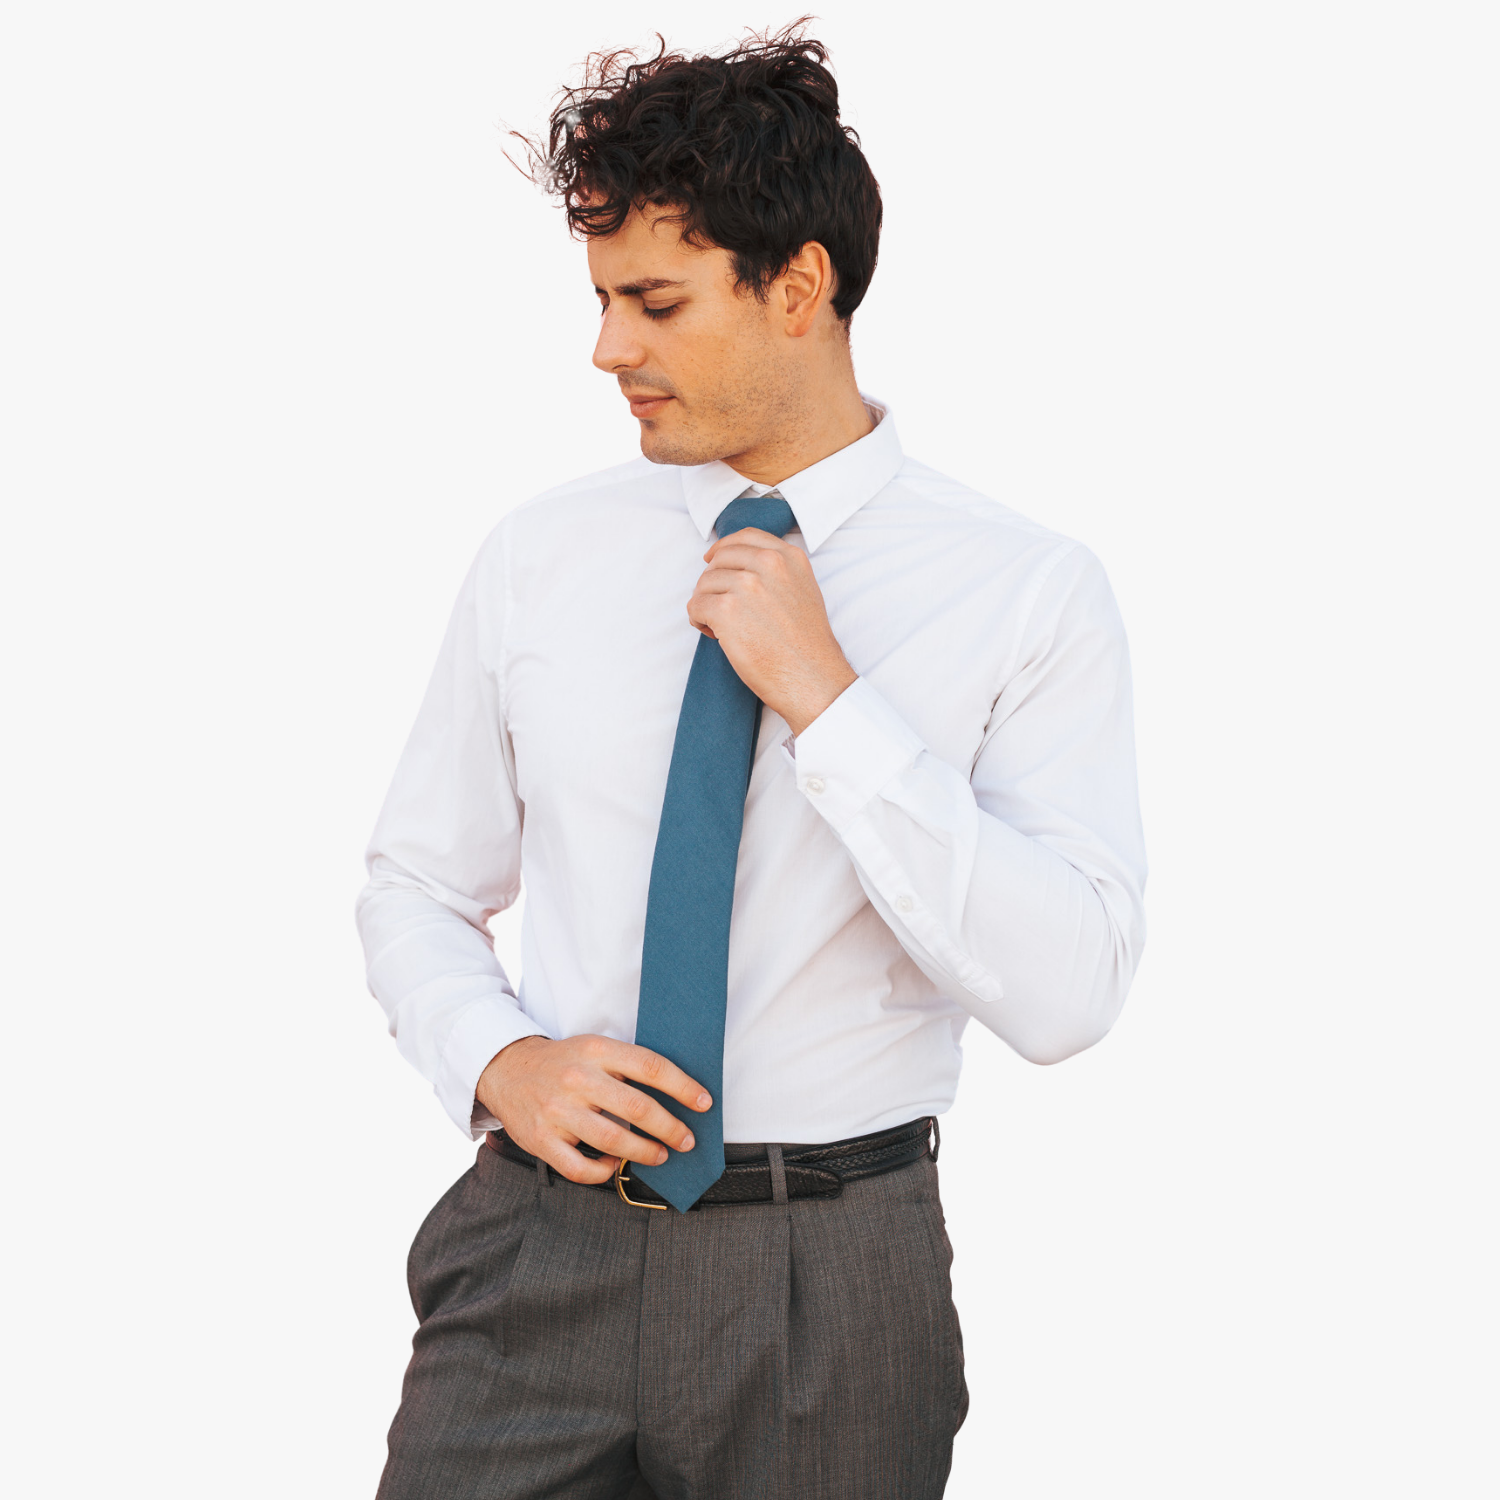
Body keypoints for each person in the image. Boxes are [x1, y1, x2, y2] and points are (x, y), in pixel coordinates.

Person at [357, 24, 1146, 1500]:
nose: (607, 350)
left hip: (833, 1286)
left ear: (800, 290)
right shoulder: (541, 554)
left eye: (654, 303)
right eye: (600, 302)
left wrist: (830, 700)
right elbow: (413, 880)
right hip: (536, 1250)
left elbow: (1071, 990)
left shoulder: (1025, 589)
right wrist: (503, 1060)